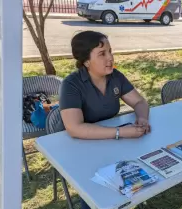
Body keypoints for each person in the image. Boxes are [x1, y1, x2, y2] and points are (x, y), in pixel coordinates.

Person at [59, 30, 151, 209]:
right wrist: (120, 132)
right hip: (83, 150)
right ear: (86, 61)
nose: (110, 58)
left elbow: (139, 101)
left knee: (129, 183)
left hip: (113, 145)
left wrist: (142, 118)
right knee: (96, 197)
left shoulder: (115, 77)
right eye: (102, 54)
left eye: (110, 51)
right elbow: (74, 128)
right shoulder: (71, 84)